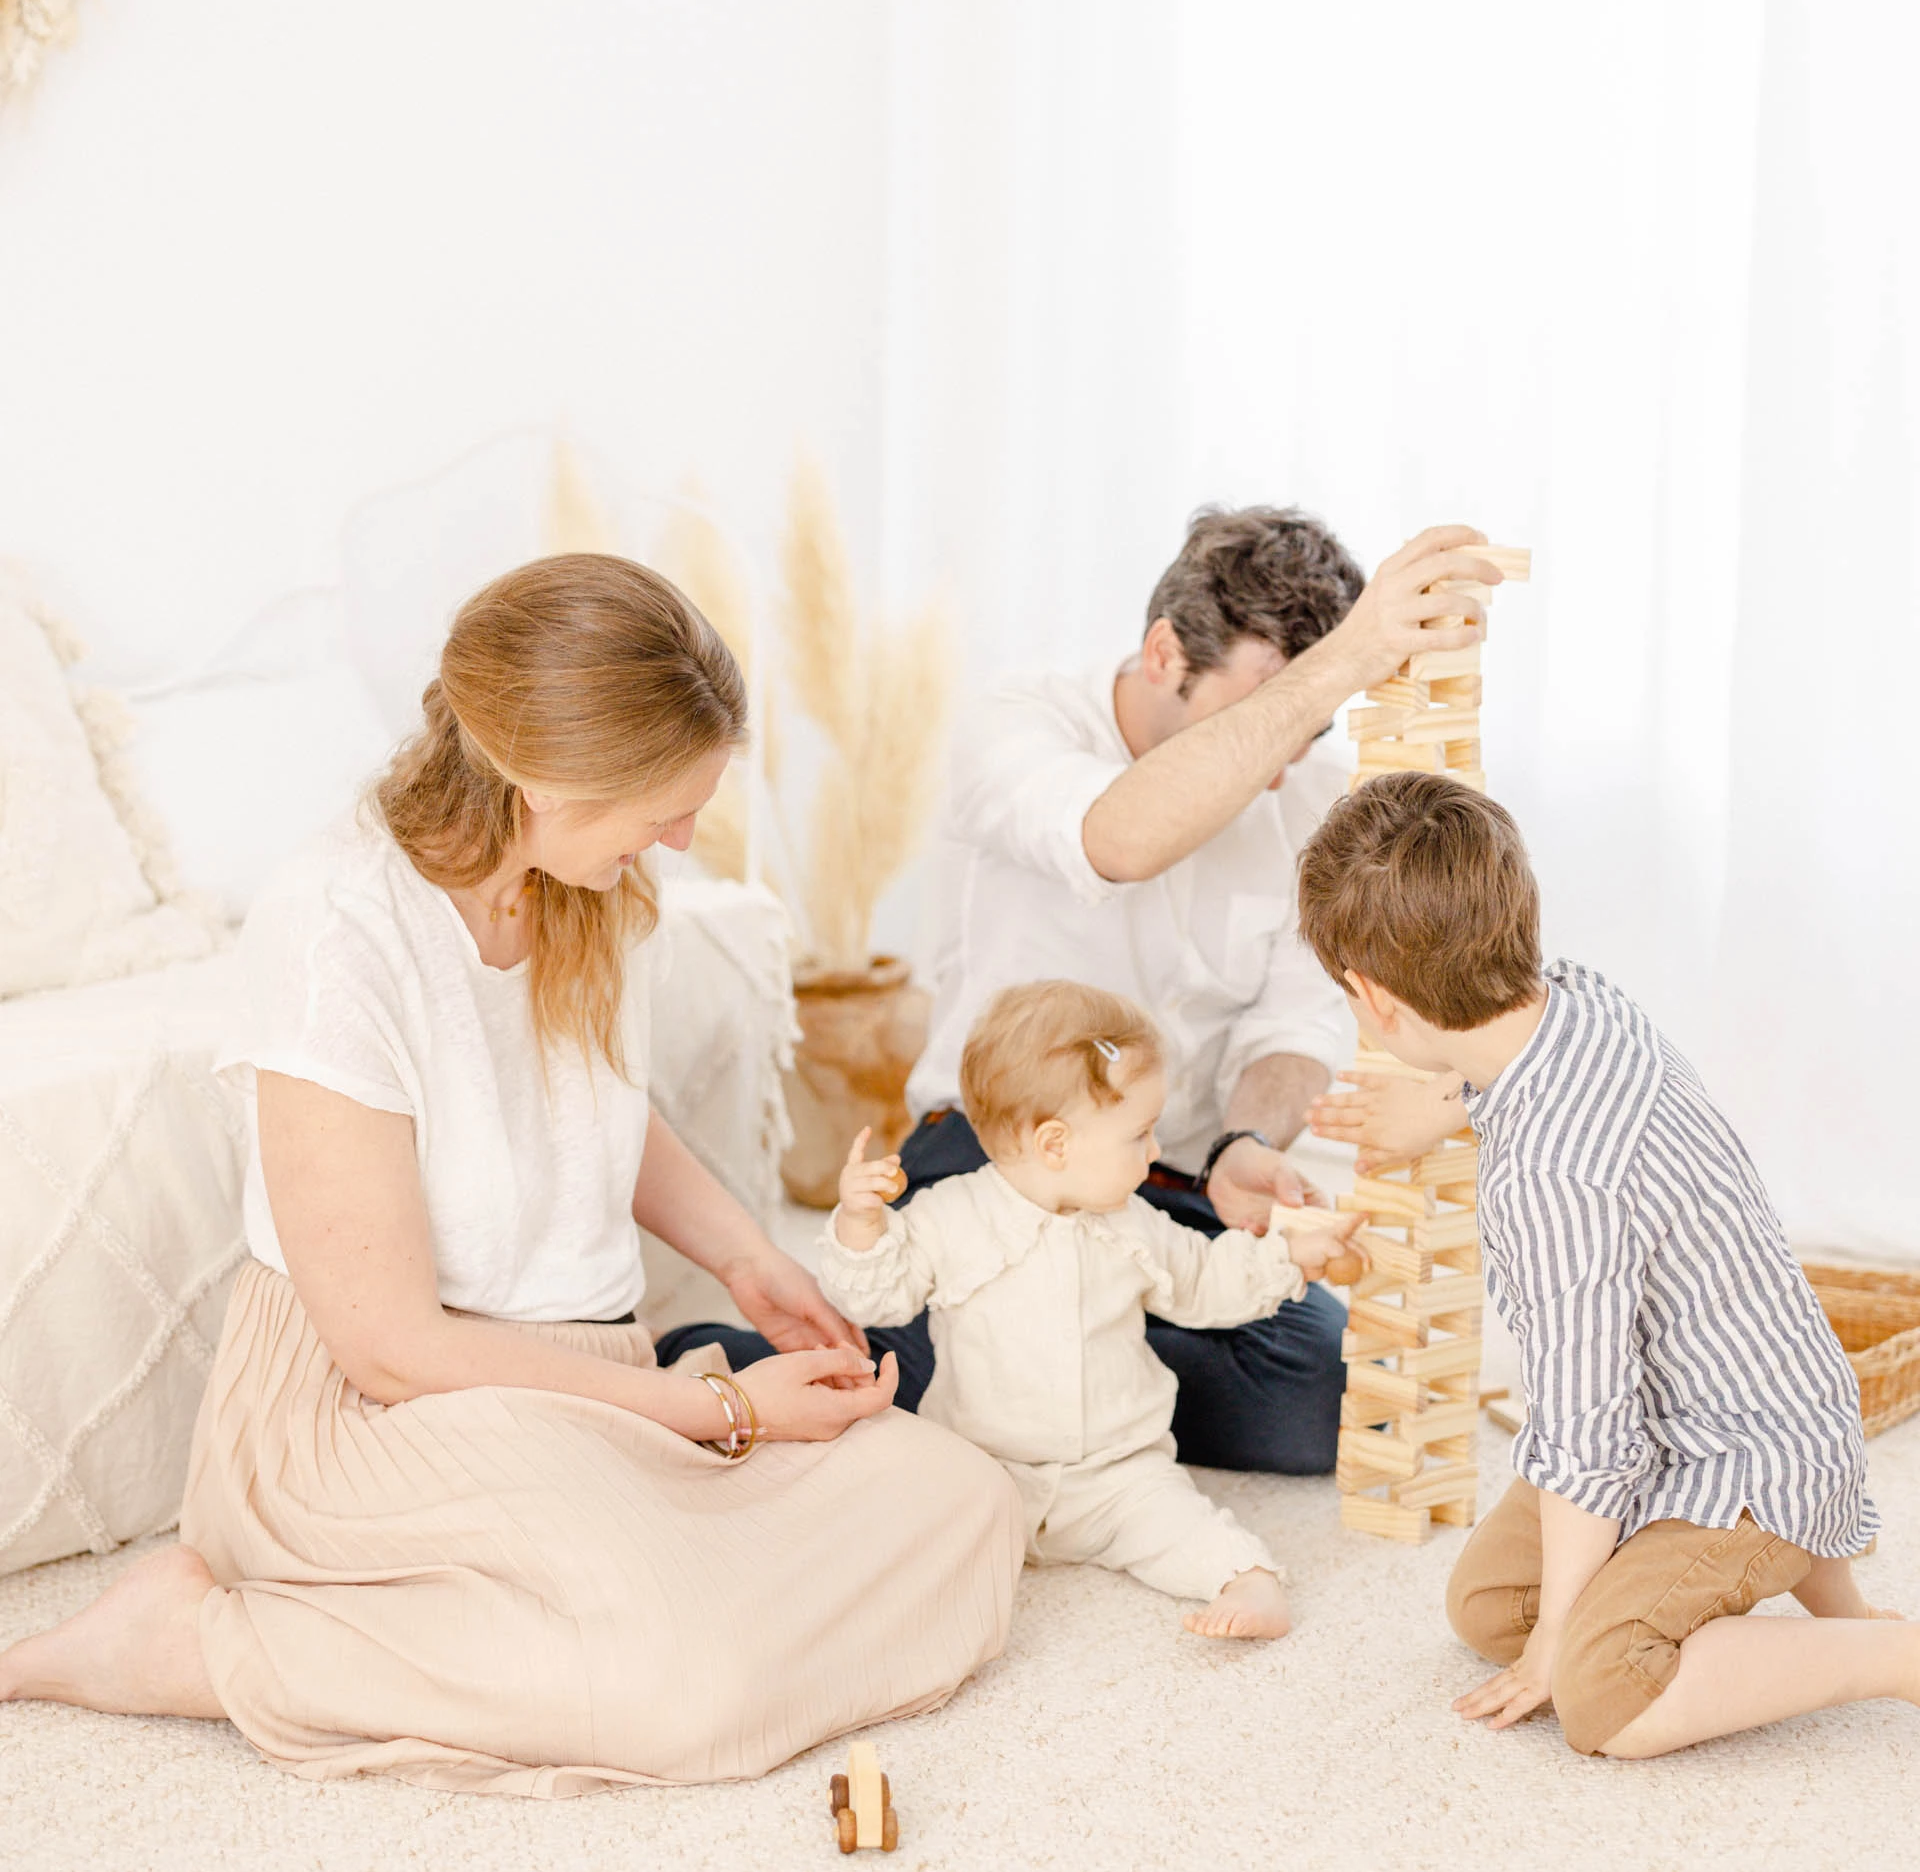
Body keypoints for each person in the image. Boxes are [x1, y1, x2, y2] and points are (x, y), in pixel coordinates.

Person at [0, 557, 1021, 1790]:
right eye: (662, 808)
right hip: (378, 1415)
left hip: (580, 1375)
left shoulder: (589, 887)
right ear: (542, 779)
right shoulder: (338, 929)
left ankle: (620, 1566)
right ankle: (191, 1645)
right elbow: (391, 1346)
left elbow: (590, 1107)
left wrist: (750, 1257)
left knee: (966, 1505)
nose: (683, 839)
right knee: (681, 1686)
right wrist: (728, 1413)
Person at [1296, 769, 1919, 1760]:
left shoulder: (1554, 1180)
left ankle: (1892, 1660)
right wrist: (1444, 1100)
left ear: (1371, 1000)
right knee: (1490, 1601)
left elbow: (1587, 1430)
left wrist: (1556, 1646)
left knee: (1600, 1694)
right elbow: (1501, 1065)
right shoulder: (1569, 995)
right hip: (1700, 1406)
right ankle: (1790, 1611)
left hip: (1746, 1453)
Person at [886, 507, 1509, 1476]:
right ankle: (1018, 1343)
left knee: (1323, 1399)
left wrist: (1242, 1142)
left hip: (1165, 1184)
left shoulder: (1310, 795)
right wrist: (1336, 669)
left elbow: (1296, 1020)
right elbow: (1120, 842)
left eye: (1315, 712)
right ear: (1164, 654)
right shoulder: (1021, 725)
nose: (1295, 744)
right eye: (1280, 696)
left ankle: (1051, 1357)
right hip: (998, 1162)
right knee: (999, 1309)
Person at [818, 983, 1358, 1641]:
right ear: (1054, 1144)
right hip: (986, 1470)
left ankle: (1248, 1581)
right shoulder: (949, 1218)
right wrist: (860, 1225)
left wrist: (1288, 1255)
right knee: (906, 1530)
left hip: (1115, 1475)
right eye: (1140, 1135)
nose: (1156, 1152)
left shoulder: (1132, 1222)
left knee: (1180, 1524)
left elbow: (1204, 1280)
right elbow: (875, 1298)